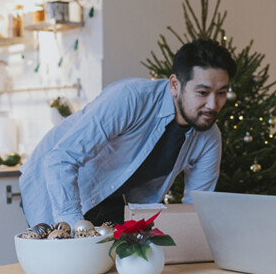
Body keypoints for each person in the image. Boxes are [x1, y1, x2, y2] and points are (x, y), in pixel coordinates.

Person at [19, 39, 237, 228]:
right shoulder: (130, 98)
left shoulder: (208, 137)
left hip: (113, 198)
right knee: (64, 269)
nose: (213, 104)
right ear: (174, 85)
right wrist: (75, 230)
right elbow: (61, 159)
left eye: (222, 93)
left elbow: (195, 208)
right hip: (54, 184)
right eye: (202, 92)